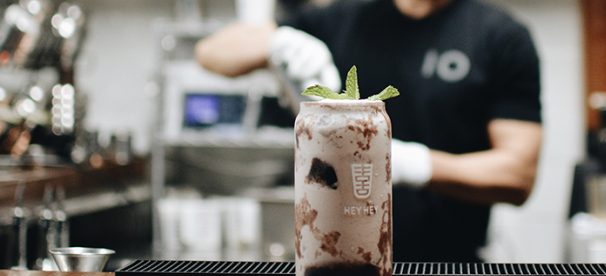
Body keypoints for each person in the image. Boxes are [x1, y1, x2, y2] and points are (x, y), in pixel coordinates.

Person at [195, 0, 542, 262]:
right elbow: (211, 52)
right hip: (336, 260)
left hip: (447, 267)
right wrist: (279, 43)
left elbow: (517, 174)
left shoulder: (501, 36)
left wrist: (405, 162)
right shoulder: (341, 20)